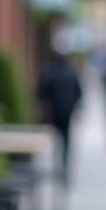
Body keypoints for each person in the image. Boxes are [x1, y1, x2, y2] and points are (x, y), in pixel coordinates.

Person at [37, 52, 84, 181]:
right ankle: (64, 165)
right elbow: (79, 92)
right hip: (67, 111)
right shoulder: (71, 73)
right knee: (66, 139)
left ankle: (56, 164)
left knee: (55, 139)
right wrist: (77, 109)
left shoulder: (49, 73)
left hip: (54, 112)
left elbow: (42, 93)